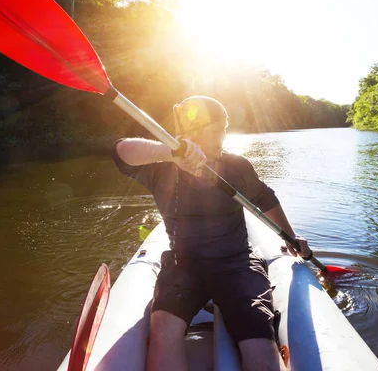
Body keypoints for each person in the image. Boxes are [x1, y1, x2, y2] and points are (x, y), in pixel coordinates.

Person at [112, 96, 311, 371]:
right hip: (184, 264)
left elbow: (265, 198)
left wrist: (290, 236)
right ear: (187, 134)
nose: (221, 138)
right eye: (214, 131)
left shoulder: (236, 166)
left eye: (222, 130)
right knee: (163, 327)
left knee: (258, 336)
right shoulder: (160, 168)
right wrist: (171, 152)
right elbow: (120, 151)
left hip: (238, 263)